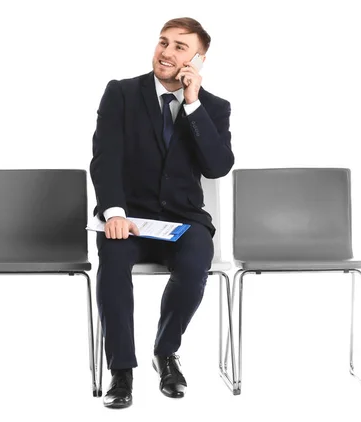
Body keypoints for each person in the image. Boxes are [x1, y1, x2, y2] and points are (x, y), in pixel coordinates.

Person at [90, 17, 234, 409]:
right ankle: (121, 371)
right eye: (163, 42)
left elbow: (217, 167)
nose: (167, 53)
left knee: (195, 263)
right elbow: (105, 159)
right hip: (129, 218)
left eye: (180, 47)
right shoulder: (121, 93)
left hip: (184, 221)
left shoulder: (213, 108)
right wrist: (114, 212)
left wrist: (193, 104)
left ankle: (166, 352)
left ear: (198, 60)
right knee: (114, 261)